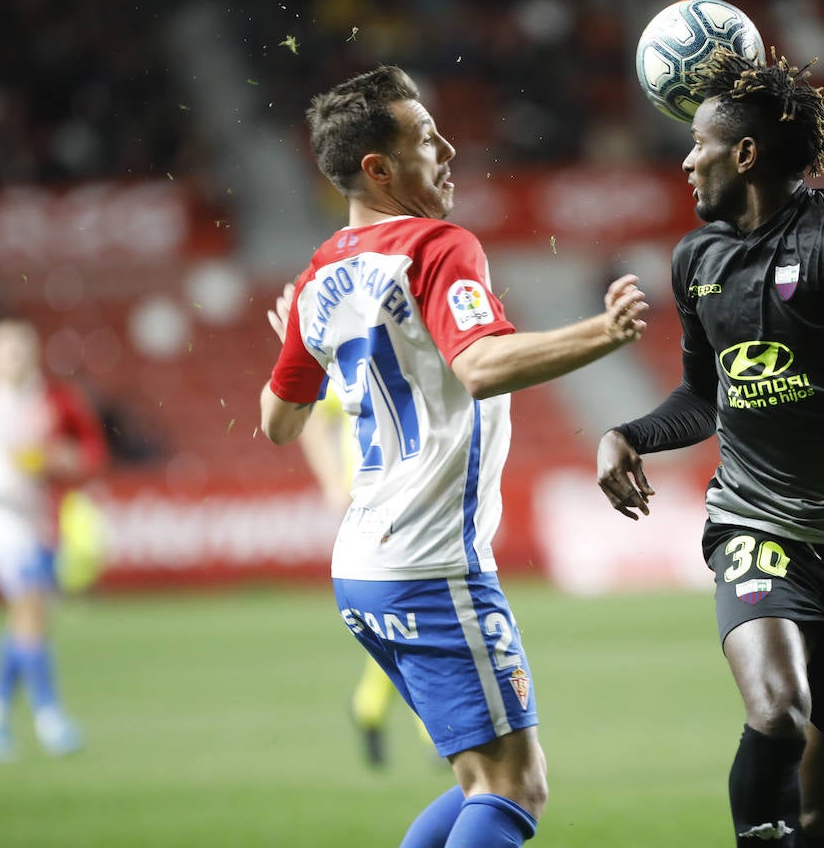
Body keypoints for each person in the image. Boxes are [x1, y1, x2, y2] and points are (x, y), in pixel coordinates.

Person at [259, 65, 647, 847]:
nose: (448, 149)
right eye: (426, 138)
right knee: (517, 786)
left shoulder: (319, 277)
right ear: (378, 167)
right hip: (433, 564)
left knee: (482, 779)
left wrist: (308, 346)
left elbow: (276, 422)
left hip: (362, 567)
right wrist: (603, 332)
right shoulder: (440, 246)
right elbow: (481, 365)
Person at [596, 49, 824, 848]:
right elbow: (706, 397)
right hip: (757, 530)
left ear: (744, 154)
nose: (686, 158)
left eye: (698, 143)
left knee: (822, 811)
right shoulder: (695, 263)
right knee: (776, 714)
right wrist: (626, 434)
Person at [0, 319, 108, 760]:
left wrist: (67, 459)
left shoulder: (57, 401)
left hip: (43, 515)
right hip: (0, 516)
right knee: (32, 603)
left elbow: (92, 451)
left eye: (21, 349)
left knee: (30, 614)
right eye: (6, 349)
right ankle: (49, 716)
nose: (14, 357)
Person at [294, 388, 435, 766]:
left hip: (409, 500)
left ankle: (369, 707)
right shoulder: (350, 359)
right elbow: (314, 421)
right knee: (411, 609)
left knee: (402, 612)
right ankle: (430, 728)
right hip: (369, 505)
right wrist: (331, 482)